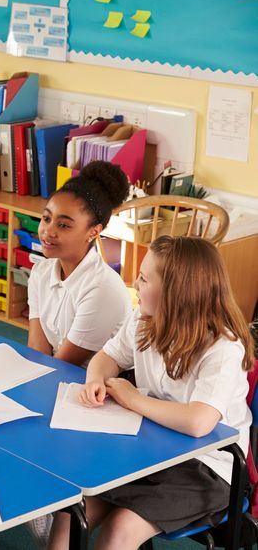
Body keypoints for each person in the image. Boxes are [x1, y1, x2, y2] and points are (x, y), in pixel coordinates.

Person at [48, 236, 254, 550]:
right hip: (152, 449)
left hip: (208, 467)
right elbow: (109, 356)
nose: (135, 283)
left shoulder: (223, 347)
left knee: (120, 530)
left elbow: (199, 422)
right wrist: (96, 380)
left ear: (176, 292)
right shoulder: (145, 317)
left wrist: (133, 399)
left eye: (144, 279)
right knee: (72, 513)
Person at [27, 161, 132, 367]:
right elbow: (37, 351)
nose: (48, 231)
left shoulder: (102, 290)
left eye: (63, 225)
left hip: (94, 381)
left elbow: (64, 365)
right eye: (46, 218)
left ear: (93, 232)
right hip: (56, 373)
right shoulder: (41, 272)